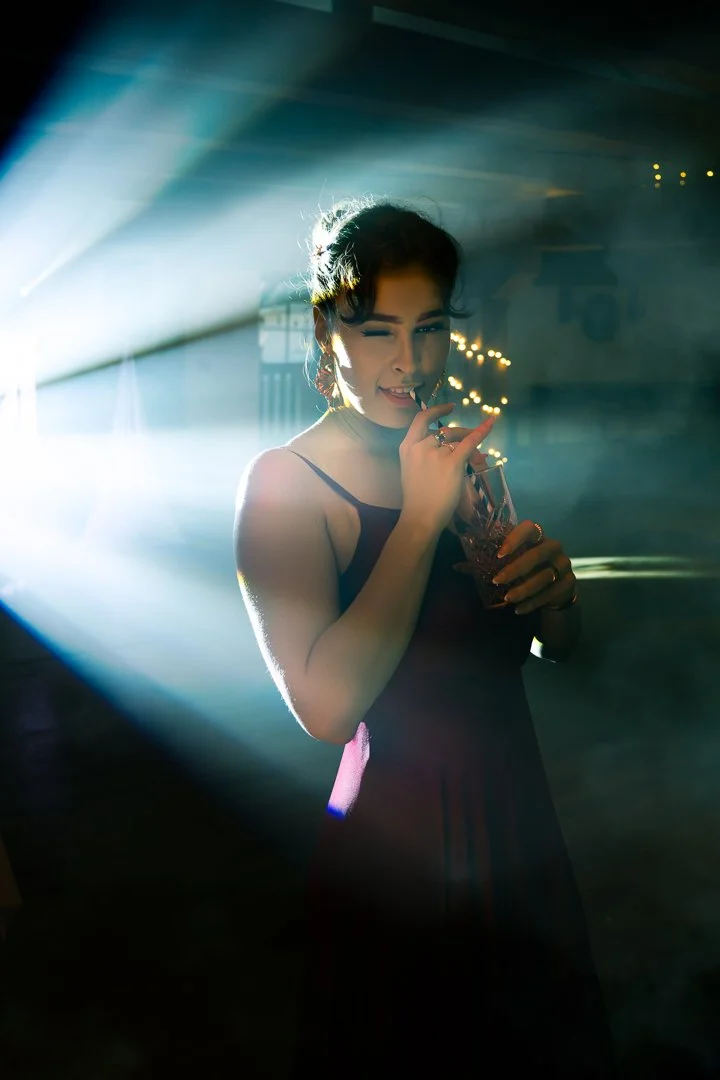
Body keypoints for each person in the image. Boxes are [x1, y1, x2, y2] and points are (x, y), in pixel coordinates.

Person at [234, 198, 615, 1077]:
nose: (409, 361)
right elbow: (326, 708)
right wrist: (414, 523)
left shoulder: (459, 452)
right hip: (396, 854)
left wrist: (555, 595)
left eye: (431, 327)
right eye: (377, 332)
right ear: (329, 331)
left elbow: (544, 647)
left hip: (517, 828)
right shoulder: (284, 484)